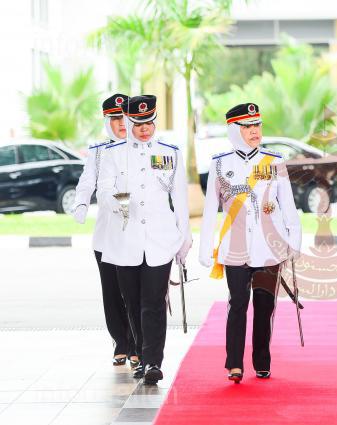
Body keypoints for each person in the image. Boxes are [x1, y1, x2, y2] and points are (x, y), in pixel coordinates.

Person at [198, 103, 301, 383]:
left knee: (265, 306)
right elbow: (210, 210)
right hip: (235, 247)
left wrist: (294, 242)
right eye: (247, 126)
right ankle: (234, 363)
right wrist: (205, 247)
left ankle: (262, 360)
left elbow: (288, 206)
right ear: (234, 130)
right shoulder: (220, 163)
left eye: (257, 125)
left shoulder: (275, 161)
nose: (255, 131)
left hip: (269, 249)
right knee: (238, 303)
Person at [97, 95, 191, 385]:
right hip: (125, 241)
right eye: (138, 124)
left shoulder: (170, 153)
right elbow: (103, 191)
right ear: (129, 123)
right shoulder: (112, 154)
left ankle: (153, 362)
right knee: (133, 302)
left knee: (153, 302)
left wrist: (185, 237)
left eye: (149, 122)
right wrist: (119, 202)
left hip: (160, 240)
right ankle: (139, 353)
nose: (145, 128)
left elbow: (180, 199)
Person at [72, 93, 139, 368]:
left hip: (135, 233)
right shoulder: (99, 151)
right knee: (111, 292)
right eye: (114, 118)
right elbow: (87, 181)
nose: (121, 123)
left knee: (133, 292)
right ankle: (120, 342)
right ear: (106, 121)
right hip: (106, 234)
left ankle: (136, 343)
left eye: (125, 117)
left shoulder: (141, 148)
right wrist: (80, 202)